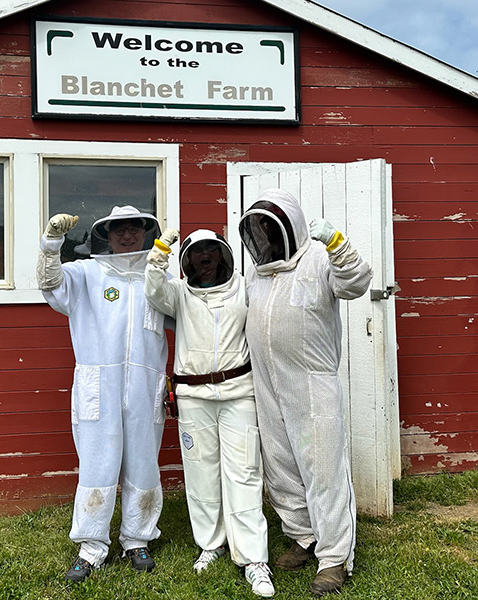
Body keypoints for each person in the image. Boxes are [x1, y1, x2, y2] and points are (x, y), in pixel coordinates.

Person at [238, 188, 373, 596]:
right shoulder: (255, 273)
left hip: (313, 385)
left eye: (271, 225)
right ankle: (304, 536)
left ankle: (334, 558)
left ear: (291, 225)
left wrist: (338, 245)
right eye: (259, 227)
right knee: (281, 468)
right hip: (266, 383)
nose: (265, 234)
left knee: (324, 472)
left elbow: (356, 283)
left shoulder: (318, 260)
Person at [36, 205, 170, 582]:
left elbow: (187, 312)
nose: (126, 237)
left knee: (143, 461)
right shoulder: (86, 273)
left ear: (145, 232)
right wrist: (51, 243)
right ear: (106, 236)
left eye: (133, 229)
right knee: (97, 464)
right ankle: (91, 545)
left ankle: (137, 538)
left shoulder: (157, 276)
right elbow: (49, 284)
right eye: (118, 231)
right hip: (98, 383)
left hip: (145, 384)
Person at [144, 228, 275, 598]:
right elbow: (153, 288)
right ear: (187, 259)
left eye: (211, 251)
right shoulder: (179, 293)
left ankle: (253, 559)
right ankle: (210, 544)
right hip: (194, 395)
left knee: (245, 473)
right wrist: (159, 251)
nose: (204, 256)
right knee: (201, 471)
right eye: (197, 251)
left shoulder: (245, 287)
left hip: (239, 393)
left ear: (222, 255)